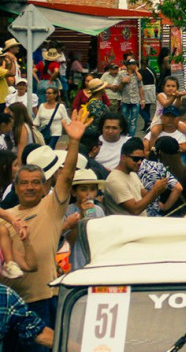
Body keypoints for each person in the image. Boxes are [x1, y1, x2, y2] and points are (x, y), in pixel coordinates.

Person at [3, 111, 87, 347]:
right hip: (7, 303)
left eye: (35, 183)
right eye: (24, 183)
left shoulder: (51, 206)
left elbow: (68, 176)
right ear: (16, 188)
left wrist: (74, 141)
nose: (29, 187)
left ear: (44, 187)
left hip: (41, 299)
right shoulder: (5, 218)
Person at [103, 138, 168, 216]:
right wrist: (155, 190)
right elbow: (135, 210)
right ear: (123, 157)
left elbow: (145, 197)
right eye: (136, 159)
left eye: (141, 159)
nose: (139, 162)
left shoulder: (133, 174)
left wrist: (158, 190)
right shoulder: (115, 180)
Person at [63, 169, 105, 271]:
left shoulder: (99, 210)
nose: (88, 194)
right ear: (74, 192)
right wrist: (81, 215)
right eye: (83, 189)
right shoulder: (67, 211)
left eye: (92, 189)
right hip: (75, 262)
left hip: (95, 261)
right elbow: (68, 241)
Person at [117, 58, 144, 137]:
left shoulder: (137, 75)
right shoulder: (122, 74)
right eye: (132, 64)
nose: (134, 65)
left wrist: (143, 100)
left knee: (133, 120)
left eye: (135, 64)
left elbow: (140, 86)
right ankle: (124, 135)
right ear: (128, 66)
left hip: (135, 100)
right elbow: (118, 88)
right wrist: (123, 82)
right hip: (125, 100)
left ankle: (131, 136)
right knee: (125, 120)